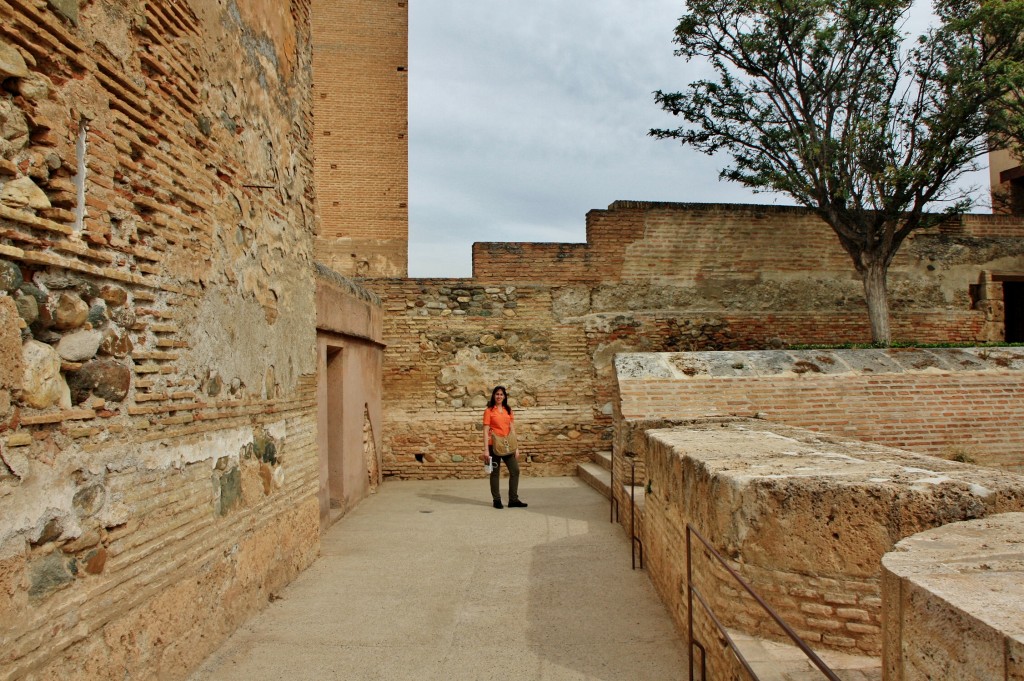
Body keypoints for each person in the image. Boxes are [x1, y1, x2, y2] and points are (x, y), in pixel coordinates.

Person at [482, 385, 527, 509]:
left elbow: (512, 428)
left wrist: (516, 447)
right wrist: (486, 449)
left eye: (501, 394)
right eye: (497, 394)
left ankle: (513, 499)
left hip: (508, 445)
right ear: (493, 396)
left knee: (515, 471)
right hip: (494, 446)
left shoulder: (508, 410)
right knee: (495, 473)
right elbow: (485, 431)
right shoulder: (489, 411)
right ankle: (497, 500)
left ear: (505, 396)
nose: (499, 396)